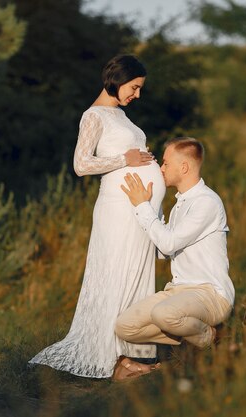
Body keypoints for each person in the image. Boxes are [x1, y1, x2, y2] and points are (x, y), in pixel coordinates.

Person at [29, 55, 166, 381]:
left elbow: (131, 157)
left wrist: (144, 161)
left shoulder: (120, 115)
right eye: (134, 87)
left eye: (139, 89)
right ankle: (112, 360)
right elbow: (81, 165)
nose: (137, 95)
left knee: (134, 280)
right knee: (116, 277)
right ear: (117, 81)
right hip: (117, 211)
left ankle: (129, 354)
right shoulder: (93, 116)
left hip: (137, 210)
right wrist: (126, 158)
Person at [115, 137, 234, 364]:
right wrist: (151, 207)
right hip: (178, 292)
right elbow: (164, 251)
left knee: (163, 314)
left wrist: (141, 206)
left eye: (166, 163)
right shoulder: (180, 204)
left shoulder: (206, 202)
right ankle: (192, 337)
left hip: (211, 294)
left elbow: (168, 243)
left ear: (184, 167)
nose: (161, 168)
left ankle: (212, 337)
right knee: (124, 326)